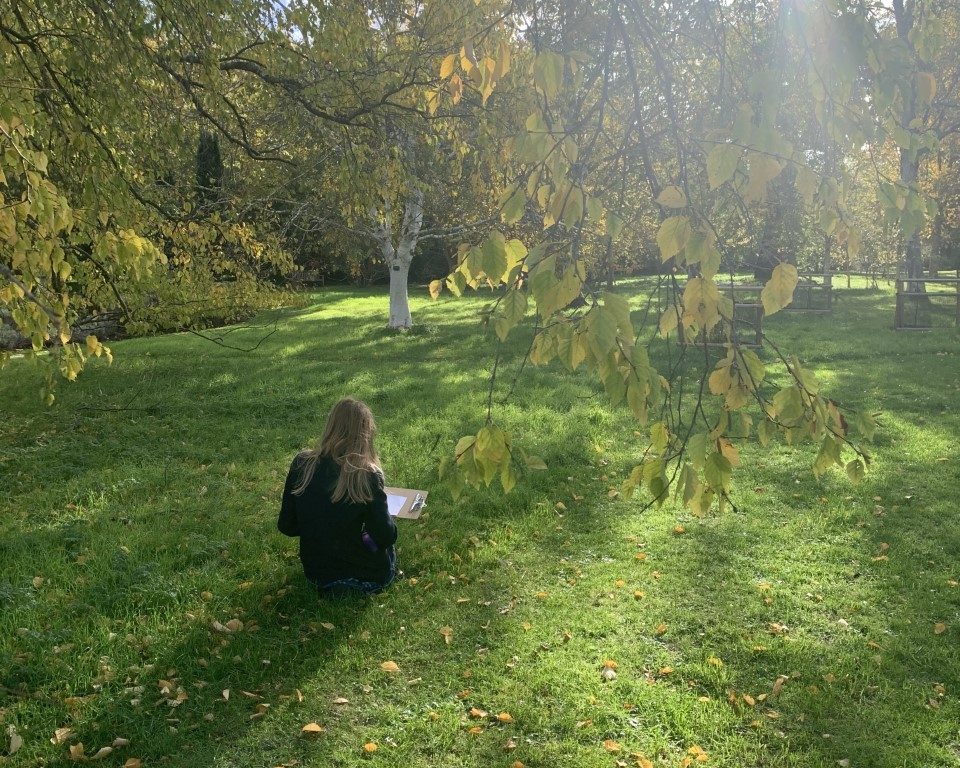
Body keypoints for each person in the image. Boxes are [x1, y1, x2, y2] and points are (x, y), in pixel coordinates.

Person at [278, 397, 398, 595]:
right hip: (366, 578)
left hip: (317, 575)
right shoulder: (367, 475)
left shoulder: (301, 464)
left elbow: (287, 526)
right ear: (366, 435)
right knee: (389, 551)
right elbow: (386, 536)